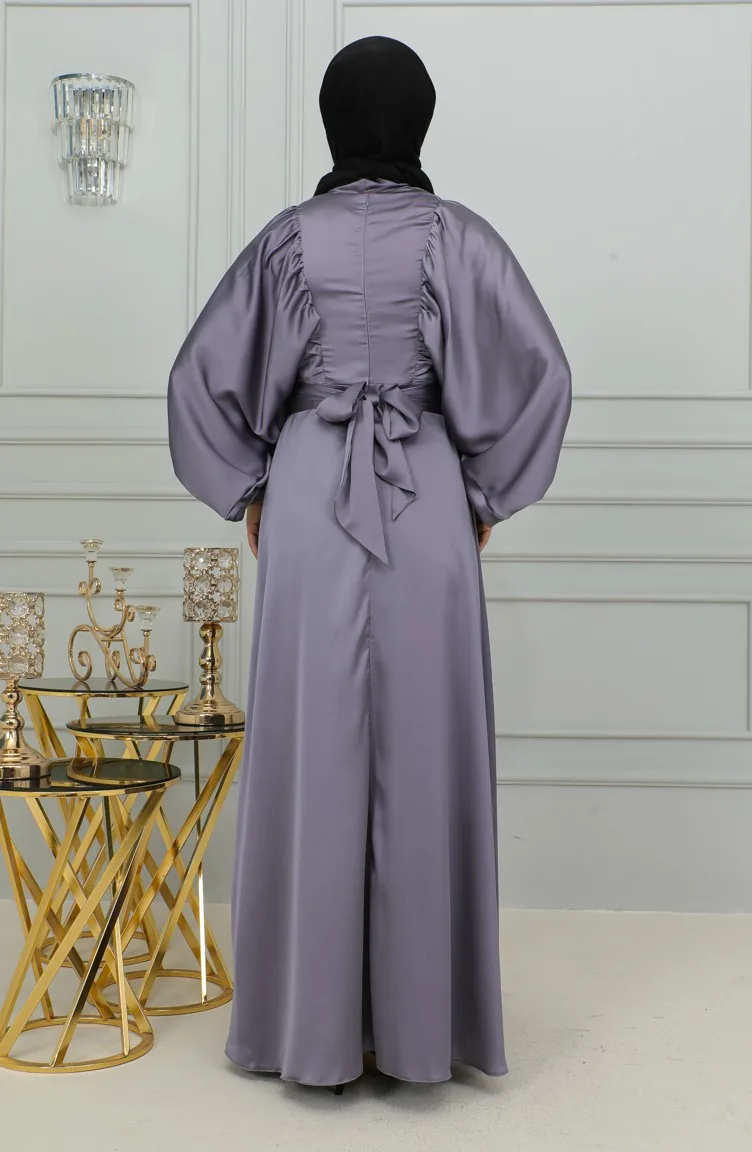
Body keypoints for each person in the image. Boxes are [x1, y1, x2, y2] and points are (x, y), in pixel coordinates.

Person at [167, 35, 571, 1091]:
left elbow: (196, 378)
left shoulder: (282, 241)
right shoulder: (460, 237)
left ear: (331, 119)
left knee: (313, 746)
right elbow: (542, 371)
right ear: (420, 118)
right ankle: (418, 1031)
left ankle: (311, 1032)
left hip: (309, 492)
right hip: (425, 492)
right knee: (424, 746)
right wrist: (482, 492)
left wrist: (253, 487)